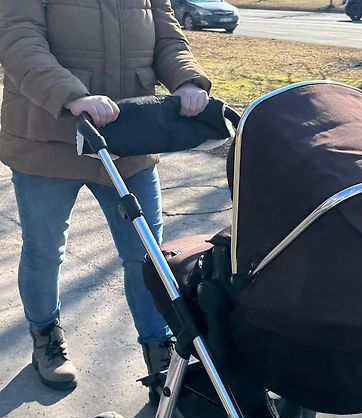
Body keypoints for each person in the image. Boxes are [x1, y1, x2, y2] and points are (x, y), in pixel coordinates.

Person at [0, 0, 211, 390]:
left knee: (148, 253)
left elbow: (167, 37)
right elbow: (19, 38)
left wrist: (187, 81)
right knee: (45, 250)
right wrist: (71, 95)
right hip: (48, 139)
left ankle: (160, 350)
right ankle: (46, 336)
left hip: (130, 139)